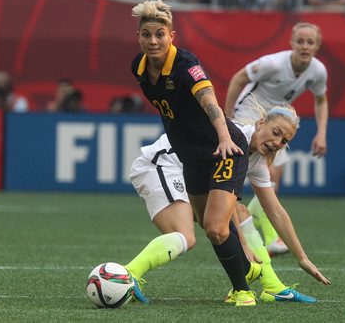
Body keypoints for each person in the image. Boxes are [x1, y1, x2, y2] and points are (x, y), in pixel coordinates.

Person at [124, 104, 330, 305]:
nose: (277, 142)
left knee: (238, 212)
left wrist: (301, 257)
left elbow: (275, 211)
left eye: (284, 140)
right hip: (162, 164)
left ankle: (272, 285)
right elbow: (223, 207)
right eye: (276, 132)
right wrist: (242, 245)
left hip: (187, 174)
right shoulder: (235, 140)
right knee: (186, 235)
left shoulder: (257, 160)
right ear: (260, 124)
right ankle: (128, 275)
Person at [130, 0, 256, 306]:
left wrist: (224, 138)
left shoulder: (186, 66)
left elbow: (209, 102)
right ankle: (249, 270)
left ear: (172, 36)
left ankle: (243, 292)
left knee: (215, 228)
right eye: (147, 34)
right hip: (192, 158)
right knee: (210, 223)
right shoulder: (139, 67)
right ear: (139, 37)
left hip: (225, 151)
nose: (153, 40)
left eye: (160, 34)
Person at [224, 22, 329, 256]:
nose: (304, 46)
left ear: (317, 46)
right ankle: (262, 235)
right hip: (250, 116)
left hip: (279, 124)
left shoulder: (318, 71)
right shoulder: (272, 64)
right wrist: (228, 119)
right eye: (300, 41)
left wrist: (321, 132)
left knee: (272, 181)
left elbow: (321, 99)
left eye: (310, 42)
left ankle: (262, 229)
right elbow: (238, 79)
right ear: (291, 43)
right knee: (250, 177)